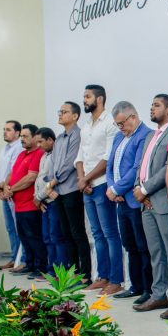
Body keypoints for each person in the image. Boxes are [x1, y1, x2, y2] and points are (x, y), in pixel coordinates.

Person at [132, 94, 168, 318]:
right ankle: (159, 295)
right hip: (146, 204)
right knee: (155, 253)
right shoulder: (150, 136)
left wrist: (145, 190)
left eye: (156, 105)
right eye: (151, 104)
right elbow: (141, 166)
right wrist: (138, 187)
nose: (152, 108)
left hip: (163, 201)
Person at [75, 84, 124, 295]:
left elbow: (107, 158)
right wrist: (82, 179)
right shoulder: (86, 126)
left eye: (88, 97)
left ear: (100, 99)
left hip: (102, 184)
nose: (84, 100)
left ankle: (116, 279)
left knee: (110, 233)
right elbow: (80, 157)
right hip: (87, 187)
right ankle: (102, 276)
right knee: (96, 234)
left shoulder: (110, 123)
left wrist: (86, 179)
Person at [106, 101, 153, 303]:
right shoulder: (119, 137)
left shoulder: (145, 135)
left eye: (122, 123)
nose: (120, 128)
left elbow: (137, 168)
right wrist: (112, 188)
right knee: (129, 245)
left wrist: (117, 189)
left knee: (143, 246)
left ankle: (148, 289)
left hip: (135, 200)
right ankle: (135, 286)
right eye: (117, 124)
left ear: (133, 117)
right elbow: (110, 166)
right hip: (120, 201)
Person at [46, 102, 93, 281]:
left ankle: (85, 274)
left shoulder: (77, 135)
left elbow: (70, 163)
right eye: (60, 111)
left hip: (72, 189)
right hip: (59, 191)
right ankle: (73, 271)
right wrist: (51, 183)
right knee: (65, 234)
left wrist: (54, 181)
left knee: (77, 233)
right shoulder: (59, 138)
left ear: (75, 116)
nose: (60, 114)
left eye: (64, 112)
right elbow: (53, 163)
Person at [2, 124, 47, 278]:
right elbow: (12, 173)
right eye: (21, 136)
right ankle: (29, 263)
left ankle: (40, 267)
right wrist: (6, 186)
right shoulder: (22, 154)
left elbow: (31, 178)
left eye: (25, 136)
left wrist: (11, 189)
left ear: (35, 137)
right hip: (18, 205)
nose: (22, 139)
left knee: (34, 237)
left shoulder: (38, 153)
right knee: (24, 237)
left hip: (30, 205)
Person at [33, 128, 67, 277]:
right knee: (47, 237)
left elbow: (52, 179)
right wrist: (37, 197)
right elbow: (39, 178)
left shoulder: (56, 156)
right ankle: (51, 270)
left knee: (56, 237)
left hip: (53, 200)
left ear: (50, 140)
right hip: (44, 201)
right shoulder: (44, 156)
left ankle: (60, 272)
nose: (38, 145)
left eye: (41, 141)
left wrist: (39, 196)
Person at [0, 120, 24, 269]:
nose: (5, 132)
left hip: (13, 192)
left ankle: (22, 260)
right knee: (10, 227)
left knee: (19, 227)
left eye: (8, 130)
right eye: (4, 129)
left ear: (17, 133)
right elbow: (0, 170)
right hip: (4, 192)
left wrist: (4, 187)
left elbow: (13, 171)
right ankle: (14, 258)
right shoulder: (4, 149)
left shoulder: (19, 147)